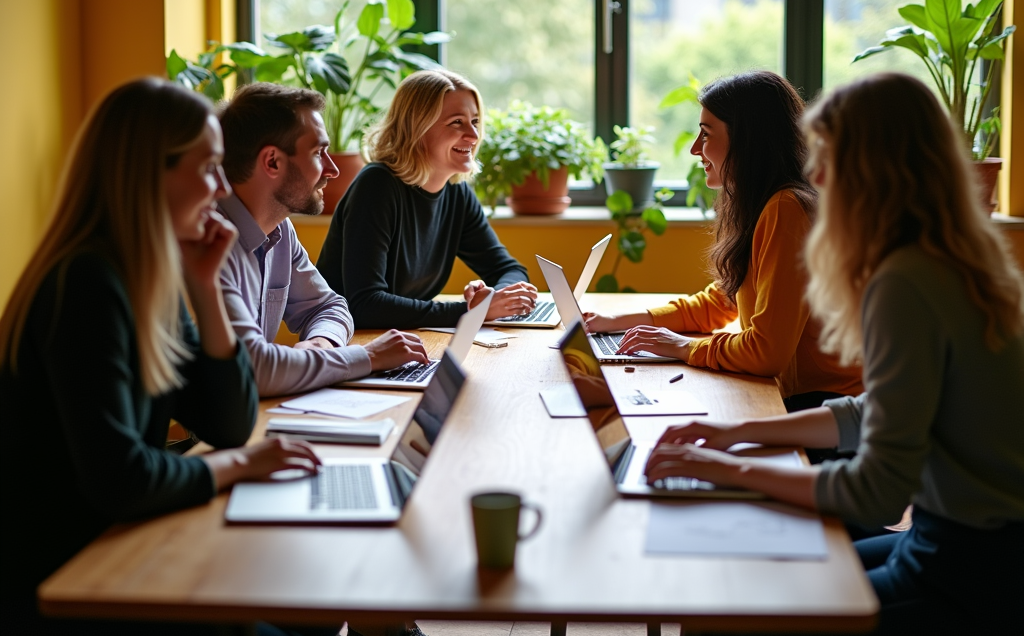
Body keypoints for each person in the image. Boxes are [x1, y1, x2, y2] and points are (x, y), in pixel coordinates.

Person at [643, 73, 1024, 636]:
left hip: (968, 573)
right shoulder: (952, 261)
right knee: (742, 586)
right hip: (970, 546)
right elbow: (873, 409)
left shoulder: (907, 282)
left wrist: (728, 467)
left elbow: (877, 490)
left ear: (877, 170)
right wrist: (734, 434)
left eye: (828, 157)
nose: (814, 176)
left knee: (724, 616)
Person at [0, 79, 333, 636]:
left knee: (314, 611)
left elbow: (227, 424)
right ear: (148, 172)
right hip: (68, 581)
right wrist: (241, 468)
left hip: (122, 545)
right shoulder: (86, 283)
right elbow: (122, 479)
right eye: (207, 168)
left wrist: (205, 289)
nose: (220, 186)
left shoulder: (151, 275)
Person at [586, 71, 861, 410]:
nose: (693, 149)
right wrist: (618, 321)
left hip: (829, 408)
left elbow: (765, 353)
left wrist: (683, 347)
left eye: (706, 134)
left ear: (747, 139)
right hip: (802, 398)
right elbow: (720, 303)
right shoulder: (764, 203)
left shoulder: (787, 208)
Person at [217, 83, 428, 396]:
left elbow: (330, 307)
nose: (331, 168)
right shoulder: (209, 242)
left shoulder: (280, 230)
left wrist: (321, 344)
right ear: (272, 161)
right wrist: (368, 356)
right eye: (318, 153)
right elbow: (254, 370)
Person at [316, 69, 538, 329]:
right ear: (417, 128)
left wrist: (494, 298)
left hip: (401, 338)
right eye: (457, 122)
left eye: (475, 122)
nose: (473, 135)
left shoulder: (457, 192)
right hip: (348, 343)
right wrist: (471, 311)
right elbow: (365, 304)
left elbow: (508, 269)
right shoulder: (377, 186)